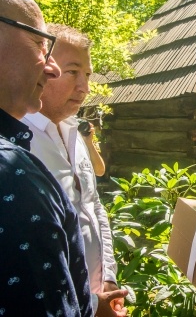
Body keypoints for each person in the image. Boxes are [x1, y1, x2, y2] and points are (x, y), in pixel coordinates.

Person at [0, 0, 93, 315]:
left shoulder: (75, 134)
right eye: (40, 44)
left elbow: (93, 209)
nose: (50, 68)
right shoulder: (13, 173)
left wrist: (103, 284)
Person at [22, 24, 126, 316]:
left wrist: (108, 278)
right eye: (73, 72)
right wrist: (89, 305)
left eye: (88, 75)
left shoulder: (77, 134)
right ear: (44, 69)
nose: (85, 87)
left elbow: (93, 207)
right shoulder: (18, 143)